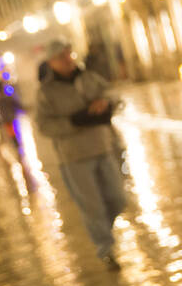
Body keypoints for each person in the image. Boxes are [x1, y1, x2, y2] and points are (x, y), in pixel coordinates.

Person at [34, 40, 126, 270]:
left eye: (68, 54)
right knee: (92, 207)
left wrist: (106, 102)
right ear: (51, 63)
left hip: (103, 147)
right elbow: (44, 126)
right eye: (60, 57)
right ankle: (105, 249)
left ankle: (104, 229)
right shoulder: (46, 92)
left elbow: (113, 94)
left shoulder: (90, 78)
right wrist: (75, 121)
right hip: (74, 157)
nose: (67, 60)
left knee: (118, 198)